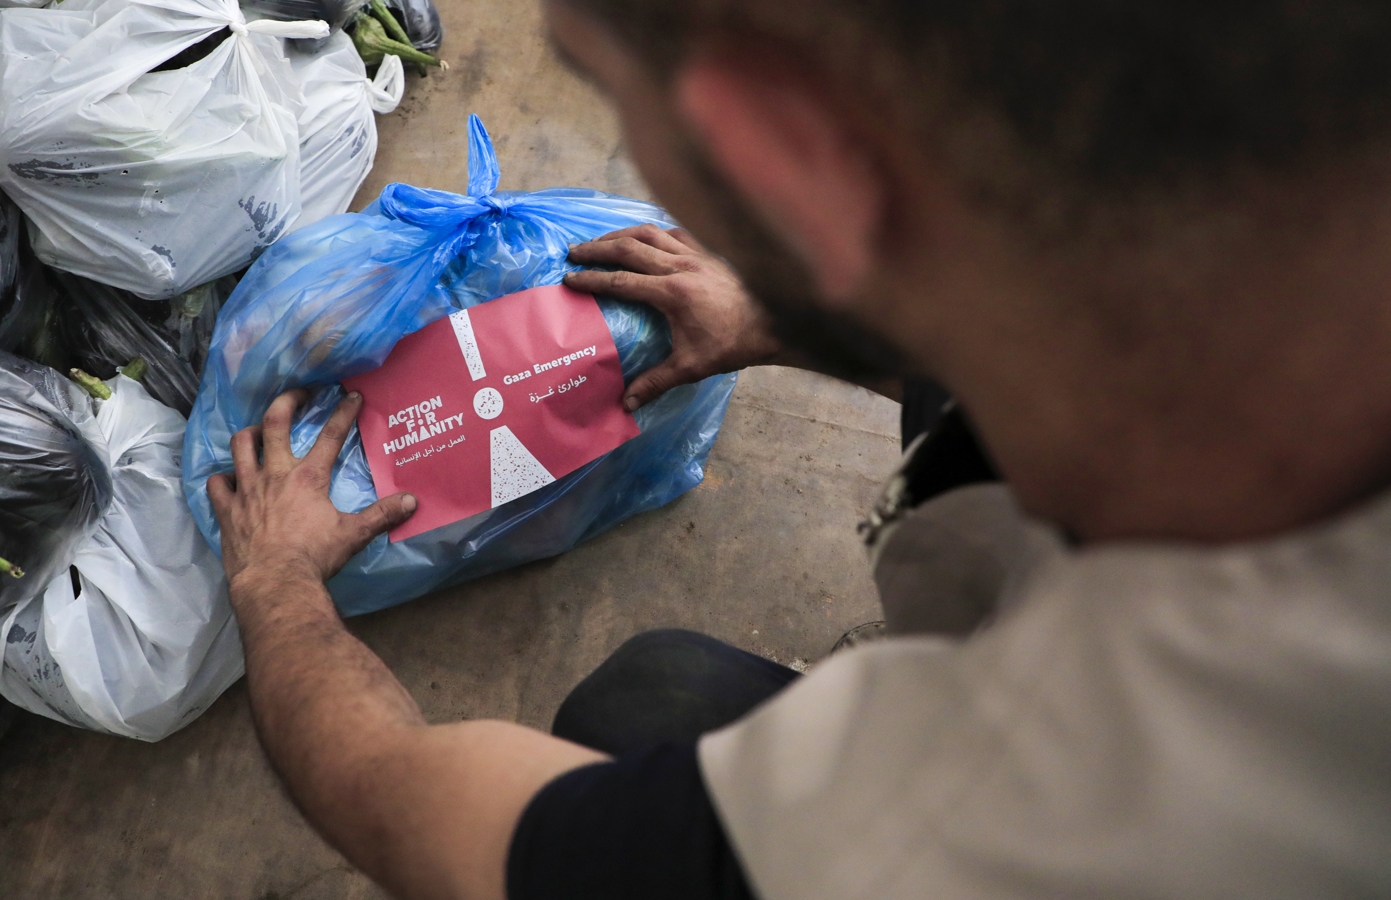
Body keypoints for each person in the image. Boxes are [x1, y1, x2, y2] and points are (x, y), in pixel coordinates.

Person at [205, 1, 1391, 898]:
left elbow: (420, 820)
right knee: (651, 695)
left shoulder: (985, 815)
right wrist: (782, 322)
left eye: (607, 84)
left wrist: (279, 590)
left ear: (789, 162)